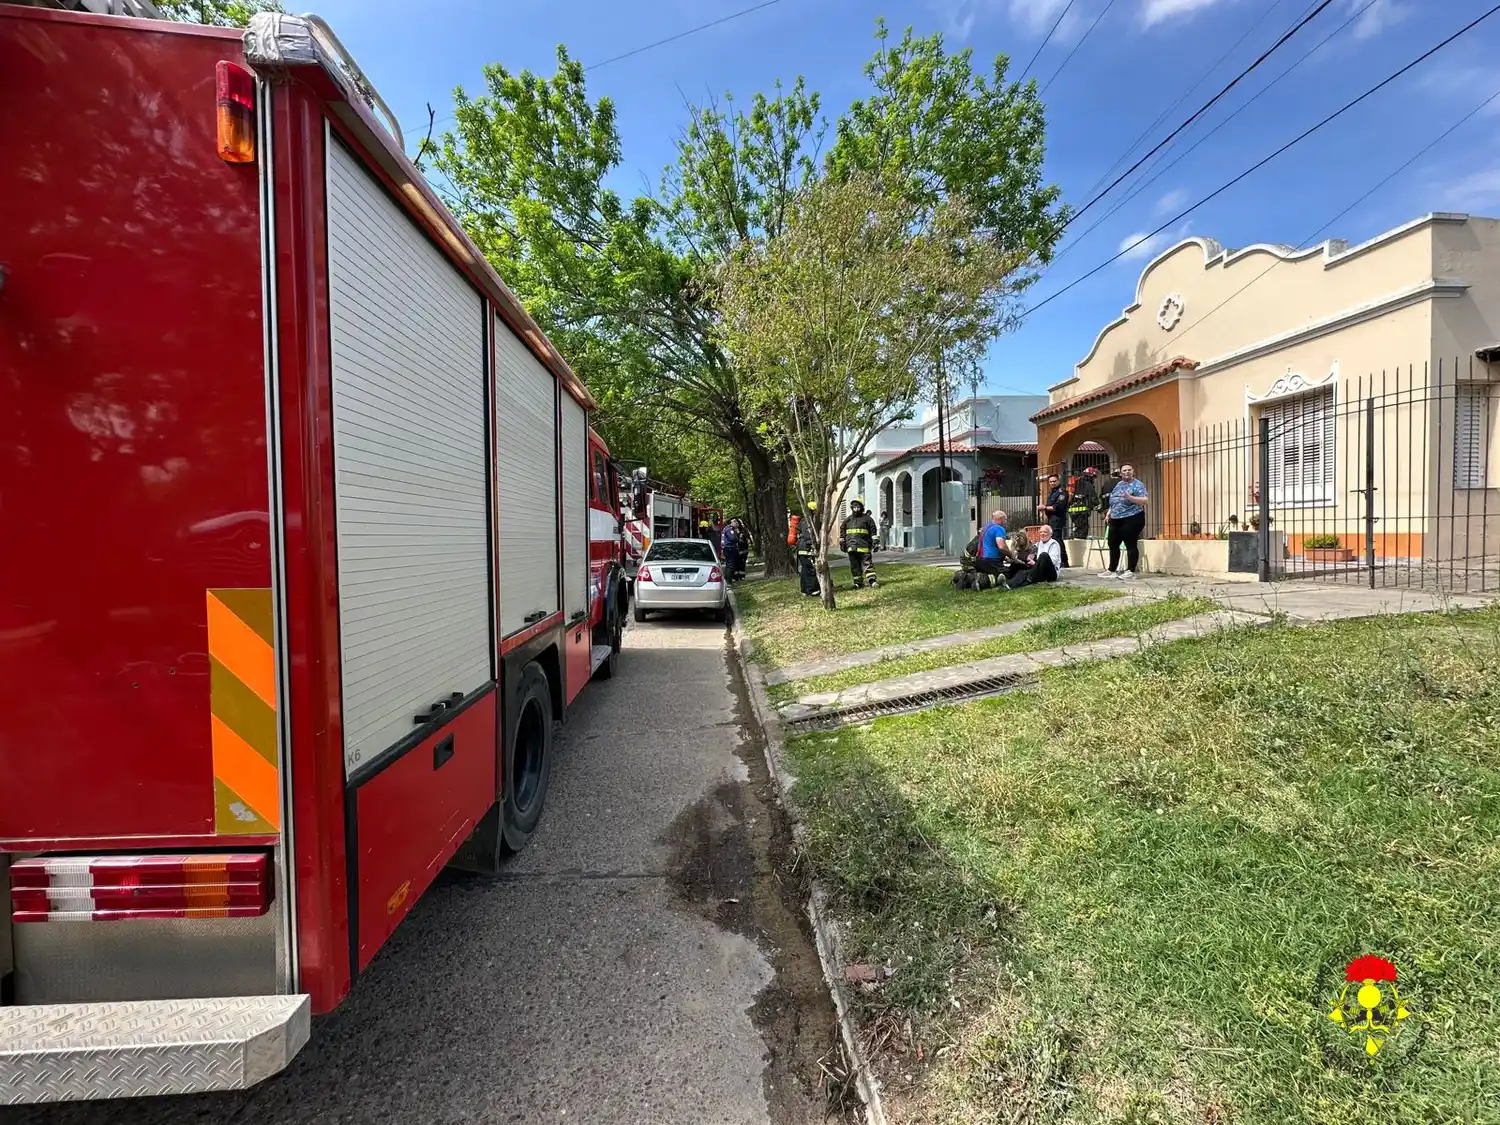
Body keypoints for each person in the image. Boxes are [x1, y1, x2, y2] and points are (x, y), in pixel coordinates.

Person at [1100, 463, 1148, 579]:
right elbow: (1114, 500)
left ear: (1133, 471)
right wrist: (1109, 512)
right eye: (1124, 470)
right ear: (1121, 473)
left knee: (1130, 543)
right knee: (1112, 543)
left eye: (1129, 470)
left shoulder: (1137, 484)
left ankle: (1130, 570)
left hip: (1132, 517)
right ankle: (1112, 570)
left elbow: (1145, 500)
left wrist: (1131, 498)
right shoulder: (1119, 484)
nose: (1127, 472)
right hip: (1116, 518)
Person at [840, 499, 880, 589]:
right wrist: (842, 542)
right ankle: (858, 582)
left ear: (861, 507)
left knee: (867, 564)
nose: (856, 509)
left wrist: (875, 542)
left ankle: (872, 581)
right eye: (854, 507)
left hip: (864, 546)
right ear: (852, 508)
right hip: (851, 547)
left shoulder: (868, 519)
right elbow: (842, 532)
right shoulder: (847, 520)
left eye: (858, 507)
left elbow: (873, 531)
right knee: (855, 566)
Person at [1007, 524, 1062, 588]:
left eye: (1045, 532)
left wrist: (1035, 563)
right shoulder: (1038, 544)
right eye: (1041, 532)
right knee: (1022, 571)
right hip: (1039, 569)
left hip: (1051, 572)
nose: (1042, 534)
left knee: (1044, 555)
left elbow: (1053, 562)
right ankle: (1008, 583)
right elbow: (1028, 554)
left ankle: (1029, 578)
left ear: (1050, 534)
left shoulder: (1053, 544)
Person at [1038, 474, 1071, 569]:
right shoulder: (1052, 493)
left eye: (1054, 481)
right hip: (1051, 518)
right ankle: (1056, 559)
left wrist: (1044, 507)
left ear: (1058, 481)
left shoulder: (1062, 492)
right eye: (1050, 482)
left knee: (1057, 538)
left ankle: (1064, 561)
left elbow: (1057, 507)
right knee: (1053, 538)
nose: (1052, 483)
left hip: (1058, 518)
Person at [976, 509, 1011, 579]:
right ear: (1001, 519)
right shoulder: (998, 528)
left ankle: (977, 578)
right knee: (1008, 575)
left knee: (988, 574)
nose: (1006, 522)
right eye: (1005, 519)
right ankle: (986, 580)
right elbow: (1002, 547)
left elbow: (989, 544)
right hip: (991, 561)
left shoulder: (985, 528)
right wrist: (1011, 555)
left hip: (979, 561)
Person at [796, 501, 820, 596]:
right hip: (807, 549)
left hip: (801, 548)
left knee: (805, 569)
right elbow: (807, 535)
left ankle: (804, 590)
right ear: (813, 511)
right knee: (810, 569)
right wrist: (811, 545)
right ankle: (812, 590)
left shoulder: (802, 521)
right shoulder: (808, 522)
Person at [1069, 467, 1099, 540]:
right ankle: (1078, 541)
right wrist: (1099, 507)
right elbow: (1093, 498)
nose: (1093, 479)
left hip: (1072, 511)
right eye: (1093, 477)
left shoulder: (1076, 483)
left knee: (1077, 526)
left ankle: (1073, 535)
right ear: (1090, 476)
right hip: (1083, 511)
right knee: (1082, 531)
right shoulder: (1088, 485)